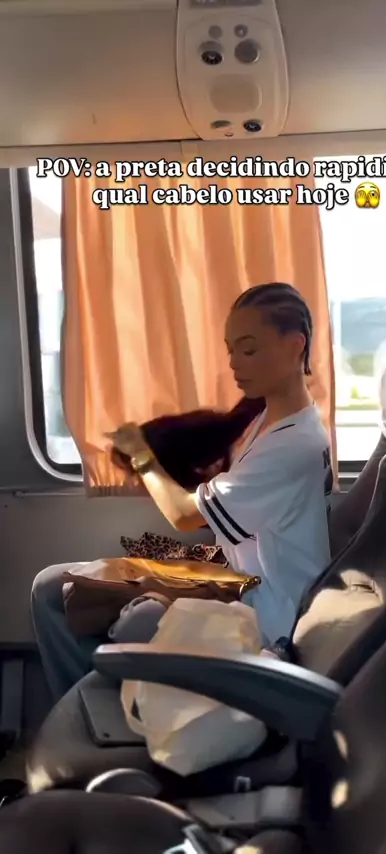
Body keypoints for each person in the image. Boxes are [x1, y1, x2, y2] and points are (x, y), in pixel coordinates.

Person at [31, 283, 332, 702]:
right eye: (230, 350)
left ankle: (100, 707)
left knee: (89, 605)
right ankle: (92, 704)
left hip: (261, 615)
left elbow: (185, 515)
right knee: (52, 585)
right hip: (238, 584)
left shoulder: (293, 444)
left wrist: (141, 455)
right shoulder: (270, 421)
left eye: (248, 349)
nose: (233, 362)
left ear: (295, 346)